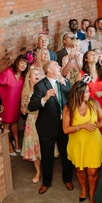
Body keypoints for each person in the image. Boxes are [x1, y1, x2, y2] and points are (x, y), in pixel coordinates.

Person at [28, 59, 73, 194]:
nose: (59, 67)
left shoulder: (65, 83)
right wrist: (45, 98)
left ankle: (68, 179)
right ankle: (46, 183)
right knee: (47, 157)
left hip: (64, 126)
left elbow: (72, 100)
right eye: (56, 65)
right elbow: (31, 106)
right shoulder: (40, 86)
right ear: (49, 70)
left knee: (66, 155)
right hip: (46, 128)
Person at [63, 78, 102, 203]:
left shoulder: (94, 103)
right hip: (78, 144)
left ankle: (92, 194)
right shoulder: (69, 107)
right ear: (78, 93)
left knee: (92, 172)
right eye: (86, 92)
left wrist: (99, 124)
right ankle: (83, 189)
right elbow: (65, 129)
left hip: (93, 142)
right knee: (80, 170)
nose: (89, 94)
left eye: (88, 91)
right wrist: (82, 126)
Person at [0, 55, 29, 152]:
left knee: (14, 123)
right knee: (6, 124)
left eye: (25, 63)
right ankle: (9, 147)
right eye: (22, 62)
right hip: (6, 104)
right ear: (17, 62)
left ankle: (17, 144)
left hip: (16, 104)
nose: (23, 65)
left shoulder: (23, 77)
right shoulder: (8, 72)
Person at [19, 66, 44, 184]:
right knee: (35, 148)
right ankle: (38, 171)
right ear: (29, 78)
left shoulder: (44, 89)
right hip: (32, 122)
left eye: (38, 73)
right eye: (34, 73)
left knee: (43, 146)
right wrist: (23, 105)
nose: (37, 75)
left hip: (44, 120)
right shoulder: (26, 93)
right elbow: (23, 113)